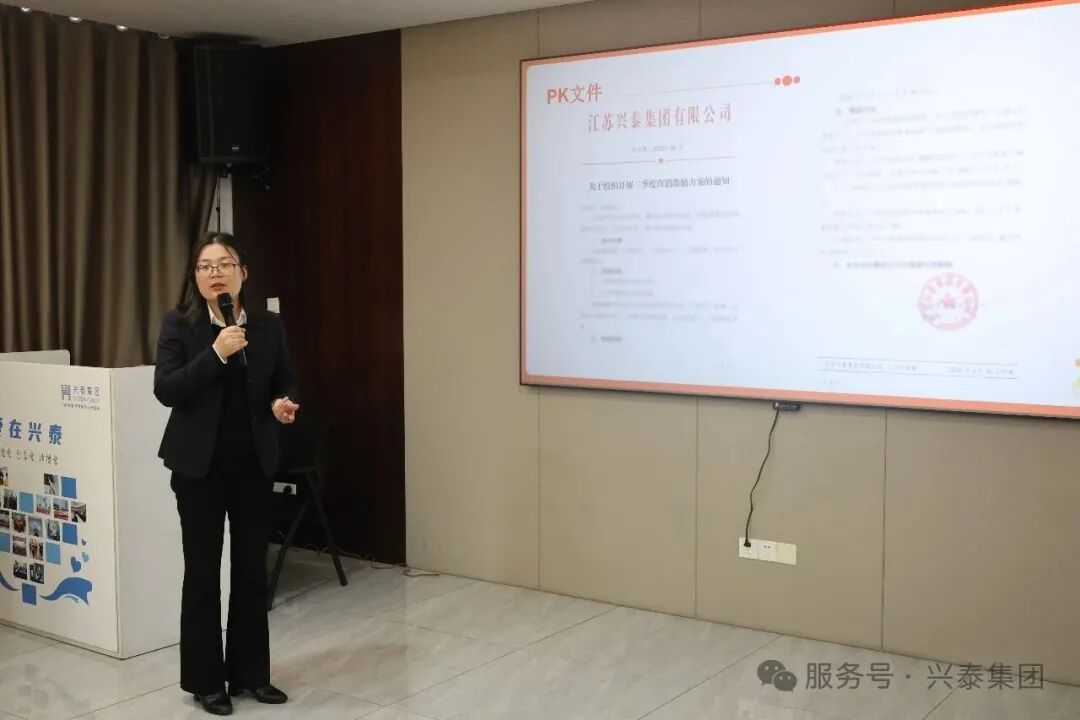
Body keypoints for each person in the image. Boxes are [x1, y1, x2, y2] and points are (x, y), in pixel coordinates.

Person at [154, 232, 300, 716]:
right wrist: (215, 354)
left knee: (251, 572)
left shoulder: (267, 324)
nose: (214, 273)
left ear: (243, 273)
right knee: (202, 573)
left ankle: (251, 674)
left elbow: (284, 377)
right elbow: (167, 389)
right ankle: (206, 682)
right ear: (196, 277)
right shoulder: (180, 325)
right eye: (205, 266)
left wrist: (282, 402)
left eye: (224, 264)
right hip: (200, 469)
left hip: (253, 465)